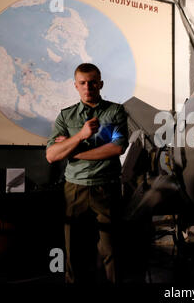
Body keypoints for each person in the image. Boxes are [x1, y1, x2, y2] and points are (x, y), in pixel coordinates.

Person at [46, 63, 129, 284]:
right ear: (75, 86)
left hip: (107, 188)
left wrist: (74, 153)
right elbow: (52, 155)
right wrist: (80, 135)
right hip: (75, 190)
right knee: (74, 252)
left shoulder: (115, 111)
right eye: (82, 83)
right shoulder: (66, 116)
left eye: (92, 82)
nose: (88, 87)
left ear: (100, 84)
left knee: (113, 252)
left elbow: (117, 147)